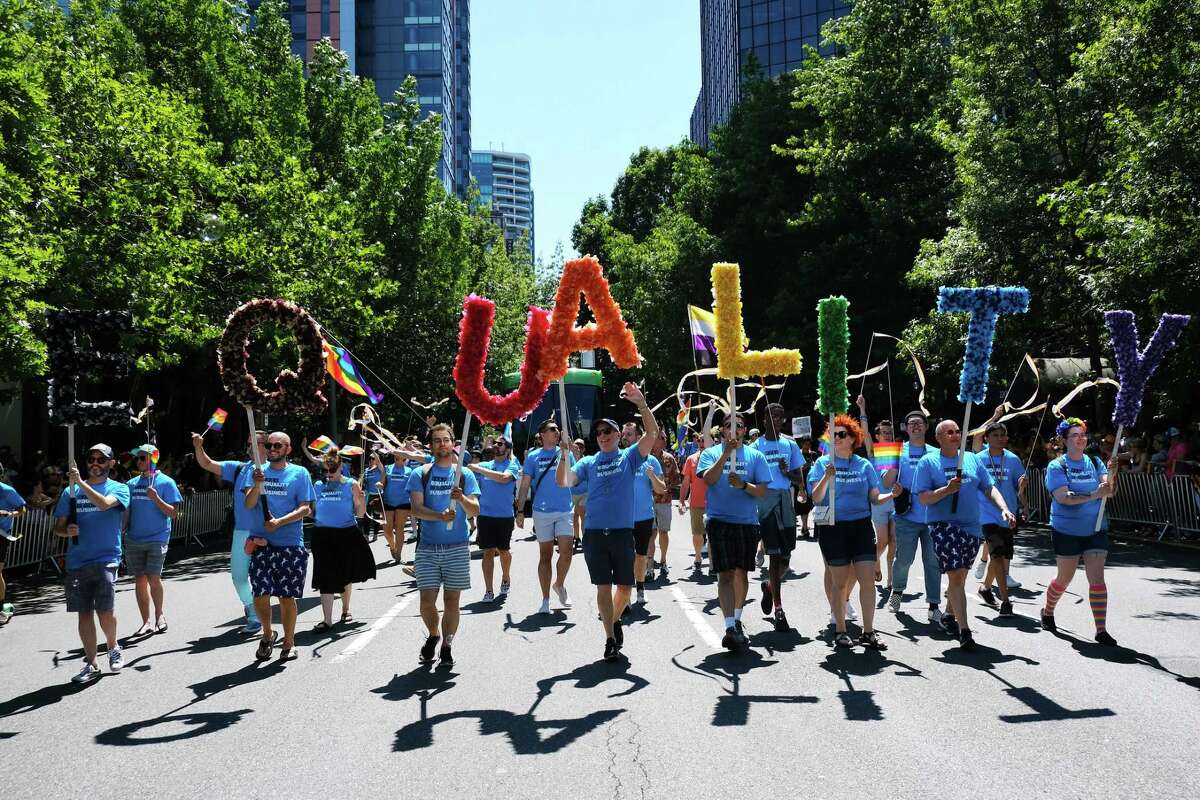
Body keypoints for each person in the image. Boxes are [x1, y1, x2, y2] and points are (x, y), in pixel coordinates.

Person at [558, 383, 657, 662]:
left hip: (622, 533)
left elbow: (652, 433)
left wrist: (641, 404)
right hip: (594, 535)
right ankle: (610, 638)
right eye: (599, 432)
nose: (602, 436)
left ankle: (613, 620)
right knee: (603, 587)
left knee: (625, 588)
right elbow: (565, 481)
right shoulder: (588, 462)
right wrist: (563, 455)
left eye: (608, 431)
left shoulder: (629, 457)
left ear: (617, 435)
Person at [914, 420, 1017, 651]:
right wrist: (946, 490)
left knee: (960, 576)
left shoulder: (971, 458)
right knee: (956, 577)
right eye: (949, 432)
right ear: (939, 438)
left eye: (958, 431)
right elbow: (923, 498)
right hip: (943, 525)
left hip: (971, 527)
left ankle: (949, 616)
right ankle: (965, 631)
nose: (955, 435)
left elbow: (989, 487)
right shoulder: (928, 462)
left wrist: (1004, 508)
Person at [807, 415, 893, 649]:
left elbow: (875, 497)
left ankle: (868, 632)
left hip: (861, 526)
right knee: (840, 582)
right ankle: (841, 629)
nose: (836, 438)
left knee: (867, 581)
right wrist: (827, 476)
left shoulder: (864, 465)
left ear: (853, 438)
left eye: (841, 434)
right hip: (833, 527)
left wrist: (891, 494)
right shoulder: (822, 463)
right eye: (832, 434)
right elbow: (815, 497)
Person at [53, 444, 131, 683]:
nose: (95, 463)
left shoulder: (119, 488)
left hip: (107, 558)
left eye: (101, 459)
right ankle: (92, 663)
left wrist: (80, 484)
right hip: (77, 560)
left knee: (105, 612)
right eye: (91, 459)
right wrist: (67, 532)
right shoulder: (69, 493)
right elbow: (58, 528)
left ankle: (113, 646)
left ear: (111, 463)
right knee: (84, 614)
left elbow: (104, 504)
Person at [407, 423, 481, 666]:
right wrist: (439, 516)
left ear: (453, 443)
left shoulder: (464, 474)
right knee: (426, 602)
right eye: (437, 440)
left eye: (445, 440)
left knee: (452, 602)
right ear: (431, 446)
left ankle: (447, 645)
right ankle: (433, 634)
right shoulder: (421, 473)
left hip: (457, 547)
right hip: (428, 548)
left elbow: (475, 510)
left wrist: (462, 499)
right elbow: (416, 509)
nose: (442, 444)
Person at [1041, 417, 1119, 646]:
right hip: (1066, 529)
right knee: (1064, 578)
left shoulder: (1095, 462)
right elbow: (1063, 498)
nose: (1080, 438)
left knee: (1097, 579)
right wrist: (1095, 494)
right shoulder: (1057, 466)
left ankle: (1101, 630)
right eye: (1074, 435)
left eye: (1083, 434)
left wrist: (1113, 474)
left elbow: (1110, 491)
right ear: (1065, 440)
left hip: (1095, 528)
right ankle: (1047, 611)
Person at [699, 413, 771, 652]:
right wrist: (724, 454)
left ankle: (737, 619)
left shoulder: (756, 456)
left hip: (747, 523)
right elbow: (708, 479)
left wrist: (743, 485)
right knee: (725, 575)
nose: (733, 429)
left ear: (744, 430)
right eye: (728, 425)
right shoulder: (710, 453)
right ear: (722, 430)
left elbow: (761, 491)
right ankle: (729, 626)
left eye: (738, 426)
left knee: (741, 573)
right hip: (719, 521)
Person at [243, 432, 315, 663]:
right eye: (268, 445)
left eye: (277, 445)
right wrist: (257, 484)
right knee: (260, 594)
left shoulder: (299, 473)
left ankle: (289, 642)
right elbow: (249, 504)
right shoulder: (254, 471)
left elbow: (306, 508)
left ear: (287, 449)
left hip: (290, 545)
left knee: (286, 597)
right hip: (261, 545)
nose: (272, 448)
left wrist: (279, 522)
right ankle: (267, 634)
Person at [192, 428, 268, 634]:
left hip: (269, 532)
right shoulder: (239, 469)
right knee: (239, 577)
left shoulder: (275, 469)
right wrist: (199, 447)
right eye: (249, 442)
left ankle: (265, 619)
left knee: (268, 578)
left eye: (256, 442)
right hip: (243, 531)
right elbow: (207, 464)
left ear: (267, 447)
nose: (251, 446)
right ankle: (252, 611)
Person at [751, 402, 805, 632]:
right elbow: (751, 480)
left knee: (785, 559)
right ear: (764, 419)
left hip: (786, 502)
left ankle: (769, 587)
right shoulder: (756, 447)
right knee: (773, 557)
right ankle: (779, 609)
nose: (777, 419)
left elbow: (799, 480)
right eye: (773, 415)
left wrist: (786, 472)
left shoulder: (790, 444)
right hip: (766, 503)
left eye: (781, 416)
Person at [887, 411, 945, 624]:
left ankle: (933, 605)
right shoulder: (896, 451)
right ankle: (897, 592)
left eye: (919, 423)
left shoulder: (936, 452)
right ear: (905, 427)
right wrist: (893, 475)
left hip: (932, 516)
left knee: (932, 562)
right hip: (906, 516)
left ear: (926, 427)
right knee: (904, 560)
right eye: (911, 423)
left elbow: (942, 480)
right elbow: (885, 482)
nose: (915, 426)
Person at [310, 446, 375, 630]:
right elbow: (313, 510)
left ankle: (346, 609)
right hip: (322, 534)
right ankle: (327, 619)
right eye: (326, 470)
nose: (329, 473)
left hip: (346, 533)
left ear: (340, 468)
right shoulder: (318, 485)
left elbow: (360, 513)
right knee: (325, 576)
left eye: (332, 470)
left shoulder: (351, 484)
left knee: (345, 573)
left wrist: (361, 500)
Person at [516, 418, 576, 614]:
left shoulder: (565, 452)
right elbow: (525, 484)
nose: (556, 432)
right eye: (552, 429)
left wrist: (568, 453)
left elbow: (573, 478)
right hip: (541, 512)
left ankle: (559, 584)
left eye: (557, 429)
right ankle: (545, 599)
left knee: (567, 552)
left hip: (565, 509)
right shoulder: (533, 457)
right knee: (545, 555)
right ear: (542, 435)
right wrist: (520, 510)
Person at [124, 445, 183, 636]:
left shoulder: (166, 482)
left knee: (153, 577)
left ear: (153, 458)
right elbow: (127, 513)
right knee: (139, 579)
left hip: (157, 537)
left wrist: (156, 498)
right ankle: (145, 622)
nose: (139, 461)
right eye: (138, 458)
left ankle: (159, 616)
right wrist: (120, 532)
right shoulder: (131, 484)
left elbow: (174, 513)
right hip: (134, 538)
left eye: (143, 458)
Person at [972, 421, 1027, 616]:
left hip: (1008, 513)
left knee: (1002, 558)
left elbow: (1018, 488)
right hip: (986, 514)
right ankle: (1005, 601)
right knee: (997, 555)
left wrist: (1023, 496)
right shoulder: (977, 459)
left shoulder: (1013, 459)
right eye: (995, 435)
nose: (1000, 438)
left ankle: (985, 588)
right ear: (986, 438)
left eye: (1003, 435)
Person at [468, 436, 521, 602]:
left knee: (504, 550)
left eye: (500, 444)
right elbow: (471, 483)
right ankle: (488, 590)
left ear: (508, 449)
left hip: (504, 516)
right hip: (485, 516)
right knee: (488, 551)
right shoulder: (485, 465)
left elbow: (503, 478)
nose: (496, 446)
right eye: (495, 443)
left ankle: (506, 576)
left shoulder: (512, 465)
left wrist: (479, 469)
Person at [623, 422, 664, 606]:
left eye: (629, 434)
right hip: (622, 518)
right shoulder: (620, 457)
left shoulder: (651, 460)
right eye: (623, 434)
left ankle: (640, 588)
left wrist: (652, 476)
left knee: (640, 555)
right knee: (624, 557)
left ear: (640, 437)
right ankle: (625, 594)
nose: (625, 437)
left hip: (644, 517)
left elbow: (661, 489)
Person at [650, 428, 679, 581]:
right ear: (654, 439)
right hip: (648, 501)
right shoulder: (645, 457)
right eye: (662, 437)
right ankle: (649, 563)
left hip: (664, 501)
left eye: (665, 437)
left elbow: (676, 478)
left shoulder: (669, 458)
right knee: (650, 533)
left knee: (663, 532)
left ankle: (663, 560)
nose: (665, 440)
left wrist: (669, 487)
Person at [0, 477, 27, 626]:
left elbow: (22, 508)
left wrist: (9, 514)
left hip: (1, 535)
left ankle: (1, 609)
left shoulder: (6, 490)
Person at [677, 443, 708, 573]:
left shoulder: (718, 457)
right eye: (699, 440)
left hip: (715, 504)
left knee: (713, 535)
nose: (701, 443)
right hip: (696, 503)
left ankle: (712, 563)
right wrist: (681, 501)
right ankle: (698, 557)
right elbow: (685, 483)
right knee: (697, 533)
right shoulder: (691, 459)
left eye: (704, 439)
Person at [570, 438, 587, 544]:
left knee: (582, 514)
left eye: (581, 446)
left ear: (584, 449)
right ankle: (577, 538)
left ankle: (585, 538)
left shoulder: (586, 460)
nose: (578, 448)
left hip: (584, 492)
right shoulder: (569, 459)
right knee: (574, 516)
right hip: (571, 493)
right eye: (576, 445)